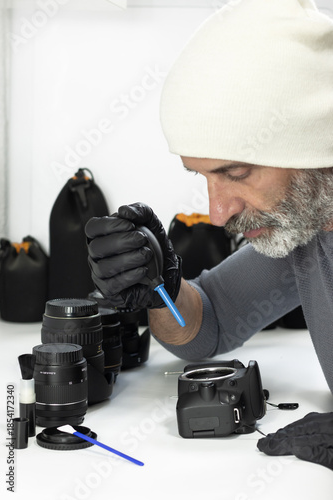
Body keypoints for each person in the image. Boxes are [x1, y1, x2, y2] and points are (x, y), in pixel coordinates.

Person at [85, 0, 333, 470]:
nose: (218, 214)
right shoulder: (310, 227)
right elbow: (210, 324)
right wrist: (162, 287)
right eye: (204, 178)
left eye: (236, 172)